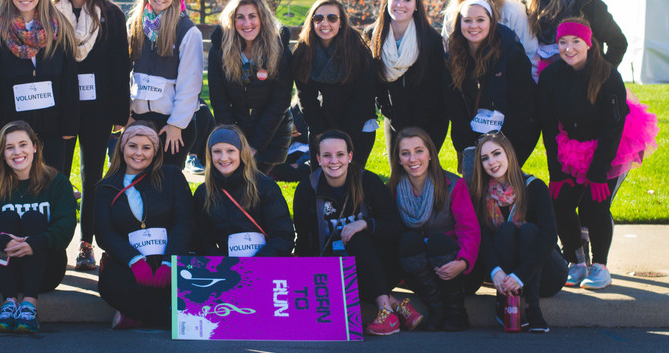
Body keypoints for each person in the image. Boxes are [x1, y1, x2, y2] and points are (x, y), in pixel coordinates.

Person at [538, 18, 657, 290]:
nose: (569, 48)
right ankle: (576, 262)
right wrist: (555, 171)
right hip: (572, 146)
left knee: (593, 205)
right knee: (562, 202)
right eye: (563, 42)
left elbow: (612, 128)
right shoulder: (550, 76)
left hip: (611, 146)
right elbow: (547, 124)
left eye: (576, 42)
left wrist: (598, 171)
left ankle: (600, 266)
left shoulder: (607, 75)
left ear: (589, 44)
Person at [293, 130, 419, 335]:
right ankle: (397, 305)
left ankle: (386, 313)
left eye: (340, 155)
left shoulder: (368, 181)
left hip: (379, 262)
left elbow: (395, 226)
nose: (334, 161)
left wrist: (366, 224)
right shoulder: (307, 189)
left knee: (356, 238)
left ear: (350, 156)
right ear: (318, 159)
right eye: (327, 156)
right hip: (333, 267)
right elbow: (304, 238)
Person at [52, 0, 131, 271]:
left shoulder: (111, 15)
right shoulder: (50, 14)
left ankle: (87, 245)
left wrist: (120, 112)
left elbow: (119, 66)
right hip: (59, 108)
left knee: (92, 178)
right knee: (56, 176)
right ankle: (55, 243)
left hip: (98, 109)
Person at [0, 121, 77, 333]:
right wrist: (3, 241)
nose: (17, 152)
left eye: (23, 144)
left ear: (35, 147)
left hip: (46, 270)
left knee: (34, 219)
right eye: (9, 147)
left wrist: (34, 243)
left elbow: (66, 226)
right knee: (6, 219)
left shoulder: (57, 183)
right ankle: (9, 303)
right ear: (1, 152)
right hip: (0, 268)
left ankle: (29, 304)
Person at [95, 122, 194, 328]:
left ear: (155, 151)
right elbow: (104, 233)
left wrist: (170, 262)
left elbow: (184, 222)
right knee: (111, 284)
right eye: (132, 146)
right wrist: (134, 260)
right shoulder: (106, 186)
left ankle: (136, 316)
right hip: (130, 264)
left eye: (146, 147)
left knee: (194, 279)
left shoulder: (172, 176)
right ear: (122, 147)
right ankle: (173, 319)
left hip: (170, 260)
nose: (139, 153)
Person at [0, 0, 78, 170]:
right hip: (13, 131)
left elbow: (69, 81)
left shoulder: (59, 29)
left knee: (53, 186)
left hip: (53, 128)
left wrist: (69, 124)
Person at [469, 133, 562, 333]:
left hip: (545, 271)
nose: (492, 162)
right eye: (485, 158)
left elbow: (549, 237)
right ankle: (503, 303)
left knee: (529, 230)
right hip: (505, 276)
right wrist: (495, 270)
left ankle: (532, 308)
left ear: (508, 153)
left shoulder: (534, 187)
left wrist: (520, 275)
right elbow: (482, 237)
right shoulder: (481, 194)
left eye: (496, 153)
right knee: (506, 230)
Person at [390, 127, 480, 331]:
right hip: (419, 271)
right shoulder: (394, 190)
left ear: (430, 153)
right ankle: (437, 309)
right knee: (408, 241)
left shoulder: (453, 185)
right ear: (398, 159)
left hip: (454, 267)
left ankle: (457, 312)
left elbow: (469, 230)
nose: (413, 159)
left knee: (439, 241)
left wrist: (463, 262)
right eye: (405, 153)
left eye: (419, 151)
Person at [443, 0, 537, 171]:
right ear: (459, 23)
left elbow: (522, 106)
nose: (473, 26)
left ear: (491, 22)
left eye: (480, 20)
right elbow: (455, 109)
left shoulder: (513, 55)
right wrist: (466, 145)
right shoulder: (452, 59)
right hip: (471, 141)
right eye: (467, 20)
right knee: (475, 193)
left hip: (511, 139)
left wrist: (503, 147)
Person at [207, 0, 294, 175]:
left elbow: (280, 102)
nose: (247, 23)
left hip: (272, 133)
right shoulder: (219, 50)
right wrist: (235, 141)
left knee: (259, 188)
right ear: (232, 20)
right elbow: (219, 100)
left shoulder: (280, 50)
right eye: (240, 17)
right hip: (235, 129)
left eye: (252, 16)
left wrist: (254, 145)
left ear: (262, 18)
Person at [125, 0, 203, 168]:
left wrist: (176, 124)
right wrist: (125, 116)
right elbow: (121, 74)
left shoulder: (187, 31)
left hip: (172, 125)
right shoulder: (134, 26)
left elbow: (191, 83)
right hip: (138, 120)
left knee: (166, 185)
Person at [292, 0, 378, 167]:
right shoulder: (303, 52)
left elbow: (364, 98)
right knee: (319, 179)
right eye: (318, 18)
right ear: (312, 22)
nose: (325, 23)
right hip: (320, 124)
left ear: (341, 22)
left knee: (352, 180)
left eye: (332, 18)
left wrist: (343, 138)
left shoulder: (358, 50)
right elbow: (306, 99)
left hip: (358, 125)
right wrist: (321, 134)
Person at [369, 0, 448, 154]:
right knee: (397, 178)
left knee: (423, 176)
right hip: (394, 119)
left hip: (429, 122)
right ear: (386, 1)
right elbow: (375, 83)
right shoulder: (373, 36)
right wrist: (387, 111)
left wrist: (417, 131)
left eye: (407, 0)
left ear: (416, 5)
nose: (400, 5)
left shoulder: (431, 40)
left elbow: (436, 90)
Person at [192, 126, 294, 257]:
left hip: (265, 264)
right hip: (227, 268)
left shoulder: (265, 186)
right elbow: (202, 241)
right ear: (210, 155)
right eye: (217, 151)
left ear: (241, 152)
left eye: (230, 151)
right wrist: (224, 265)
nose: (224, 158)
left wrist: (256, 264)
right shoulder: (203, 193)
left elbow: (283, 235)